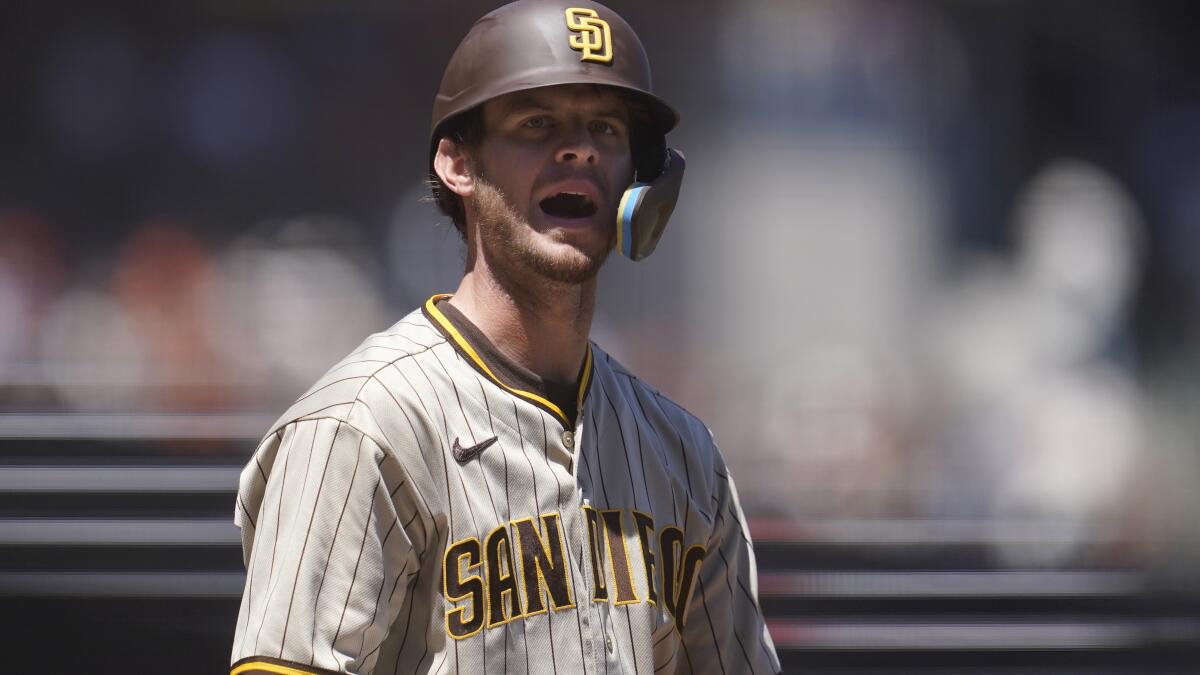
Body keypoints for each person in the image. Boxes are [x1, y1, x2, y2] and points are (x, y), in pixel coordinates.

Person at [230, 1, 780, 673]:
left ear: (643, 182)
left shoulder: (684, 457)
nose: (577, 148)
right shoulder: (362, 425)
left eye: (604, 128)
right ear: (458, 164)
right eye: (537, 123)